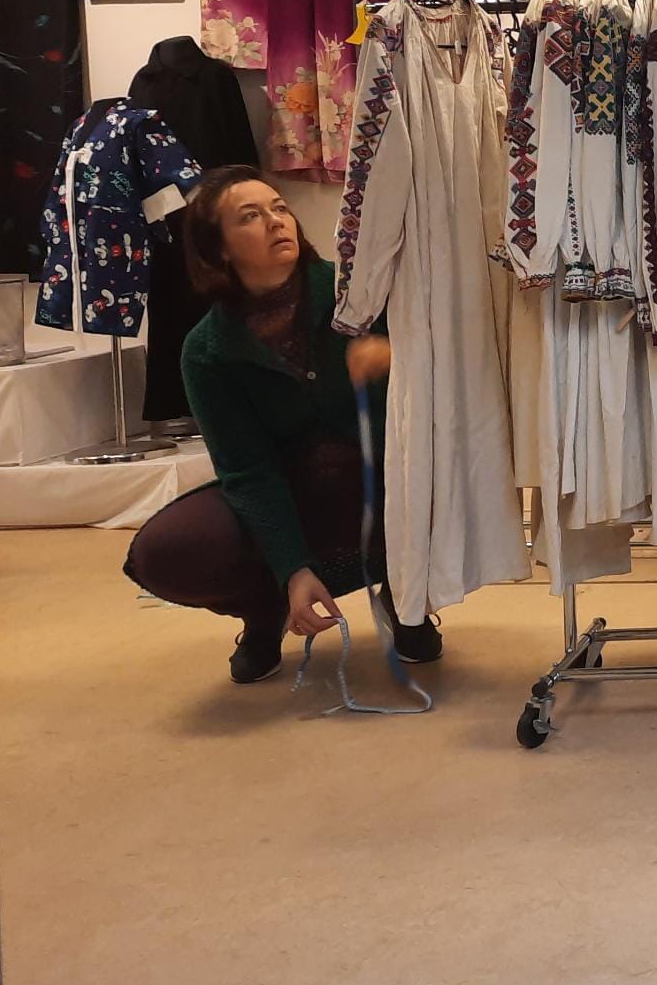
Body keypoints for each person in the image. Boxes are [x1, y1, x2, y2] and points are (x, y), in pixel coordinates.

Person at [124, 165, 442, 684]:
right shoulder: (206, 351)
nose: (276, 222)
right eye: (251, 216)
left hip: (386, 480)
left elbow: (442, 386)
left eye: (278, 207)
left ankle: (406, 599)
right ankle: (264, 609)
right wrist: (292, 569)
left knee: (447, 477)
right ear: (219, 248)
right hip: (296, 493)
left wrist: (397, 359)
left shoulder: (358, 291)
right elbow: (247, 471)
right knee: (170, 548)